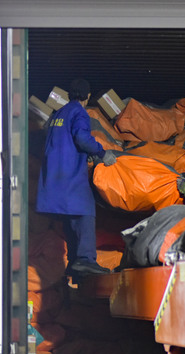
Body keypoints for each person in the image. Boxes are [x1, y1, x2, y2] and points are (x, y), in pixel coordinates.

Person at [36, 79, 117, 279]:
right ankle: (86, 259)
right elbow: (81, 138)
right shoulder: (79, 113)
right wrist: (101, 152)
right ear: (87, 96)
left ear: (69, 95)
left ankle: (74, 262)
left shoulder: (58, 114)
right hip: (70, 174)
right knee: (85, 212)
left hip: (54, 177)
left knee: (71, 217)